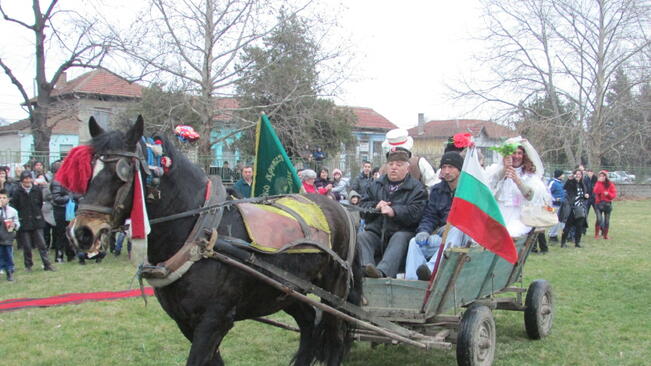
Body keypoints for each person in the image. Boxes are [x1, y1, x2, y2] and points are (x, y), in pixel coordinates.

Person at [357, 147, 427, 278]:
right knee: (362, 237)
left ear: (407, 168)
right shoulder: (375, 185)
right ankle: (367, 271)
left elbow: (416, 213)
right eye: (391, 164)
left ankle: (382, 273)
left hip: (402, 233)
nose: (393, 167)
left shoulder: (417, 188)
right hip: (377, 232)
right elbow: (362, 208)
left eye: (398, 165)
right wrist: (375, 206)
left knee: (399, 238)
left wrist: (394, 211)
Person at [405, 151, 463, 281]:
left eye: (451, 167)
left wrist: (453, 224)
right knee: (414, 242)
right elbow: (430, 216)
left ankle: (431, 270)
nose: (446, 171)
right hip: (444, 241)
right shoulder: (437, 190)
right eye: (444, 167)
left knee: (457, 229)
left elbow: (474, 218)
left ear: (459, 169)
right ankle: (412, 281)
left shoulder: (469, 190)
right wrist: (424, 231)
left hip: (463, 241)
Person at [487, 137, 546, 238]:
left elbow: (531, 196)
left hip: (519, 216)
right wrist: (505, 170)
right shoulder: (496, 170)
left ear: (524, 155)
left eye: (519, 153)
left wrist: (517, 181)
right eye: (513, 153)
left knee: (510, 234)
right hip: (499, 213)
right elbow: (490, 186)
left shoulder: (528, 175)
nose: (516, 156)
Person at [10, 171, 56, 271]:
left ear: (31, 179)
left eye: (29, 178)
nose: (27, 181)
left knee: (42, 245)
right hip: (24, 221)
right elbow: (15, 206)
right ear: (22, 180)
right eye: (25, 179)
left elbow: (39, 203)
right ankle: (28, 265)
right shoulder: (17, 192)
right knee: (27, 246)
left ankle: (47, 264)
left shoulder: (37, 190)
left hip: (37, 220)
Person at [560, 169, 589, 248]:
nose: (578, 176)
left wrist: (586, 196)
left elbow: (582, 196)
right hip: (571, 208)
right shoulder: (571, 183)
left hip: (580, 208)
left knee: (579, 226)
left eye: (580, 174)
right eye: (577, 174)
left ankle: (577, 243)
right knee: (568, 226)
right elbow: (565, 187)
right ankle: (563, 243)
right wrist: (570, 179)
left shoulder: (582, 184)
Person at [0, 189, 20, 281]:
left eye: (4, 198)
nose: (2, 200)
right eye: (0, 198)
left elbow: (17, 223)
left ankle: (10, 272)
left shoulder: (13, 211)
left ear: (8, 199)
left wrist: (14, 225)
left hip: (8, 236)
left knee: (8, 254)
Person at [593, 170, 617, 239]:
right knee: (599, 219)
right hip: (598, 204)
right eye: (600, 176)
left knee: (607, 221)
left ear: (606, 177)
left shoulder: (610, 184)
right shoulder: (598, 183)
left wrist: (608, 194)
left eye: (603, 176)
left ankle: (605, 235)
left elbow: (613, 195)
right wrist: (599, 182)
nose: (601, 177)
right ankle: (596, 234)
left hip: (607, 205)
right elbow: (595, 191)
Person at [547, 169, 567, 242]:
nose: (563, 176)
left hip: (562, 205)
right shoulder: (553, 182)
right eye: (562, 174)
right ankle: (552, 236)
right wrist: (555, 199)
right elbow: (547, 192)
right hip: (554, 205)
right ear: (559, 175)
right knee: (554, 221)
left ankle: (559, 235)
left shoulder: (561, 183)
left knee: (560, 221)